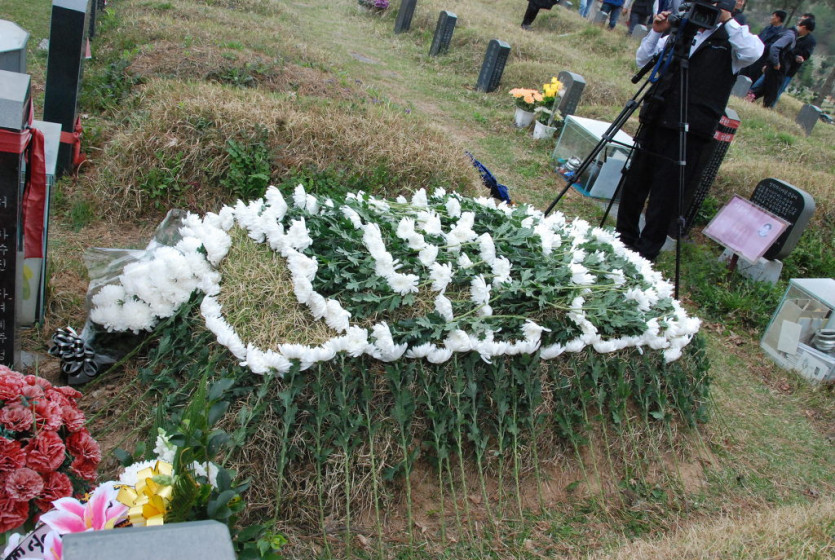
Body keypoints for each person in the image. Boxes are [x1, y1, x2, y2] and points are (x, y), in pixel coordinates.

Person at [615, 5, 762, 262]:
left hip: (691, 128)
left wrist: (727, 20)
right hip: (657, 117)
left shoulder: (730, 42)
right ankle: (622, 239)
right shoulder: (683, 30)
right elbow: (644, 61)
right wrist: (656, 32)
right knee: (634, 183)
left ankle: (645, 254)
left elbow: (754, 52)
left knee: (665, 195)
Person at [752, 22, 796, 107]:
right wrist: (775, 62)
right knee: (767, 91)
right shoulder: (790, 36)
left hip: (775, 67)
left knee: (762, 89)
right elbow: (775, 47)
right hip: (775, 68)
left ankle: (753, 99)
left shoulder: (789, 35)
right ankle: (764, 105)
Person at [740, 10, 786, 83]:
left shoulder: (780, 34)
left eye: (773, 16)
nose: (771, 18)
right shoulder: (767, 28)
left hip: (762, 60)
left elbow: (771, 47)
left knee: (750, 80)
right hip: (753, 56)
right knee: (741, 75)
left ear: (778, 18)